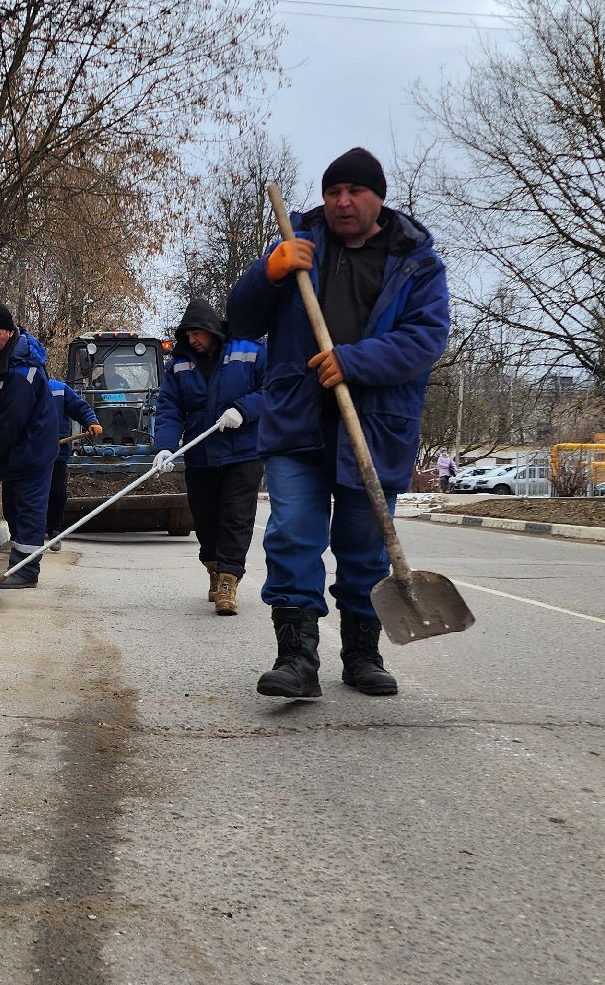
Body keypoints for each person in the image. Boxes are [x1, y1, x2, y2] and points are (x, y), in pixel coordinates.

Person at [227, 147, 450, 698]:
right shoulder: (296, 245)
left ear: (380, 197)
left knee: (364, 545)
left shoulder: (415, 262)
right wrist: (268, 272)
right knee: (292, 536)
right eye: (333, 192)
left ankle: (362, 655)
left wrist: (355, 360)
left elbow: (426, 339)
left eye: (354, 192)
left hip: (374, 426)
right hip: (296, 421)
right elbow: (241, 320)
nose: (342, 203)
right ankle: (297, 658)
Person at [151, 298, 266, 615]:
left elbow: (274, 389)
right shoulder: (178, 365)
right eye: (186, 336)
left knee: (236, 517)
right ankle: (214, 568)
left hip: (243, 452)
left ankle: (229, 579)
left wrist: (244, 409)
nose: (191, 341)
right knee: (205, 520)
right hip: (201, 455)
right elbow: (170, 408)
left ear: (211, 328)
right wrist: (165, 447)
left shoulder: (250, 351)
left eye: (195, 334)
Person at [0, 302, 57, 589]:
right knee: (12, 510)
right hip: (15, 450)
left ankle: (26, 572)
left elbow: (11, 419)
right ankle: (20, 564)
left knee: (28, 511)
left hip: (32, 449)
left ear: (9, 332)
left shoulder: (23, 369)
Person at [47, 378, 103, 550]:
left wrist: (91, 421)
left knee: (57, 492)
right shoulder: (20, 387)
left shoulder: (59, 389)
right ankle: (28, 533)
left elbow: (80, 407)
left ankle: (54, 530)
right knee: (29, 493)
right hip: (29, 451)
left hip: (57, 450)